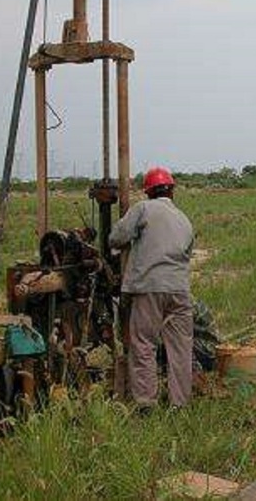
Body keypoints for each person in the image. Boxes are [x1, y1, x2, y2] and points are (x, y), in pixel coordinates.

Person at [109, 166, 195, 410]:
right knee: (180, 348)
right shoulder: (183, 218)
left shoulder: (143, 209)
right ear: (172, 191)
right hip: (179, 290)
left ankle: (146, 402)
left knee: (144, 344)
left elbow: (117, 237)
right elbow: (187, 253)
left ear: (148, 192)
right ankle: (181, 404)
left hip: (149, 288)